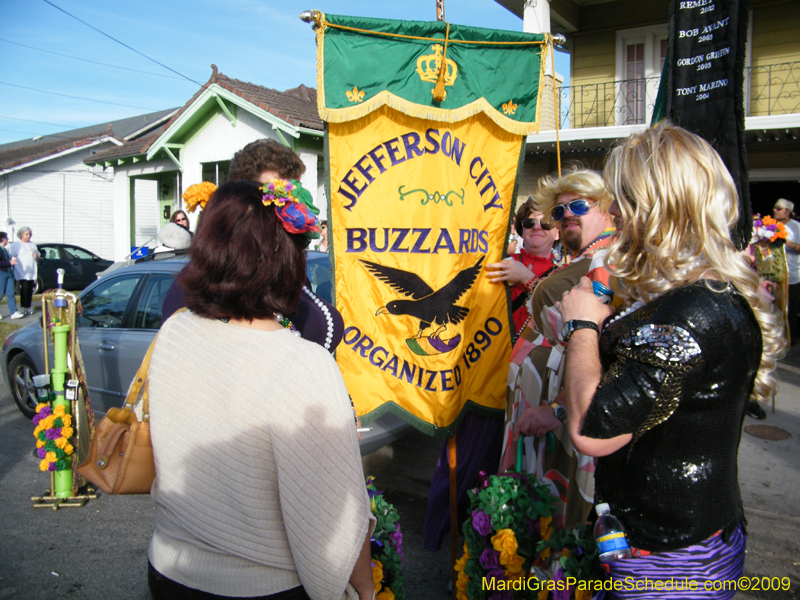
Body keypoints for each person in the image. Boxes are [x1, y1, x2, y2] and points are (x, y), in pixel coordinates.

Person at [552, 123, 782, 597]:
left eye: (620, 199)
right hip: (679, 537)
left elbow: (593, 430)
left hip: (672, 558)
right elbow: (654, 411)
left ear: (657, 206)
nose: (611, 211)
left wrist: (582, 324)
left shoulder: (692, 309)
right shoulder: (697, 293)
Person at [147, 180, 375, 600]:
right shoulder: (302, 364)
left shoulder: (174, 330)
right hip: (259, 586)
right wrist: (365, 589)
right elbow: (335, 516)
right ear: (288, 260)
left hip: (168, 568)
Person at [498, 166, 616, 530]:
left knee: (555, 521)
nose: (566, 217)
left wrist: (560, 409)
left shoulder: (609, 262)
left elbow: (602, 345)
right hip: (536, 410)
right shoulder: (583, 259)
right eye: (559, 212)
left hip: (559, 416)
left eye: (577, 207)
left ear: (606, 207)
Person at [162, 139, 344, 352]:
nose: (288, 213)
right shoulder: (194, 289)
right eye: (273, 200)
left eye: (293, 199)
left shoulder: (285, 272)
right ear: (240, 197)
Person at [487, 197, 559, 339]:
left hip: (532, 355)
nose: (537, 227)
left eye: (546, 223)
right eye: (529, 222)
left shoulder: (563, 274)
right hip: (492, 348)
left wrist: (526, 278)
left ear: (558, 233)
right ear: (522, 230)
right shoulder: (501, 263)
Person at [773, 198, 800, 345]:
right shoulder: (770, 226)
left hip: (792, 275)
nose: (775, 211)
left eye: (778, 208)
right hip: (774, 275)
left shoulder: (796, 227)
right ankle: (777, 339)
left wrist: (790, 244)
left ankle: (791, 339)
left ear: (787, 211)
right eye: (775, 208)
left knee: (790, 308)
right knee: (774, 308)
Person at [9, 226, 39, 315]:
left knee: (30, 289)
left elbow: (37, 255)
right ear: (21, 235)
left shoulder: (32, 244)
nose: (28, 236)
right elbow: (11, 255)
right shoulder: (17, 244)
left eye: (29, 234)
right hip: (22, 271)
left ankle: (28, 306)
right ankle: (23, 307)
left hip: (31, 271)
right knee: (24, 289)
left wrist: (36, 255)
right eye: (26, 234)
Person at [0, 232, 23, 319]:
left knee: (10, 293)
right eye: (7, 238)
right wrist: (9, 263)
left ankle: (13, 312)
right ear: (3, 239)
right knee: (0, 293)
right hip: (1, 273)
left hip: (9, 273)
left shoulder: (4, 250)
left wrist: (11, 261)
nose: (8, 240)